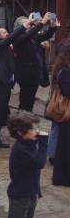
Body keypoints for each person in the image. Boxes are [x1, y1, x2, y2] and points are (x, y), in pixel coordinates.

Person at [0, 18, 34, 156]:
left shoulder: (6, 46)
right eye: (3, 32)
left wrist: (40, 24)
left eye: (6, 31)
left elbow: (25, 36)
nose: (7, 33)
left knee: (1, 113)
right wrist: (24, 25)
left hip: (6, 83)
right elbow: (11, 38)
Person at [4, 111, 47, 218]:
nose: (37, 131)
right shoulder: (21, 149)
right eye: (33, 128)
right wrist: (44, 142)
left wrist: (36, 191)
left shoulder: (29, 144)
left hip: (30, 192)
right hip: (19, 195)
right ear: (21, 133)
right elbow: (39, 163)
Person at [14, 13, 58, 112]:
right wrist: (41, 23)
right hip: (25, 75)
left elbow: (46, 35)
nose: (30, 26)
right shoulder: (18, 38)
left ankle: (27, 117)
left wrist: (53, 25)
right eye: (27, 24)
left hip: (34, 75)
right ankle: (21, 120)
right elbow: (28, 35)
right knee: (25, 100)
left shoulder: (33, 37)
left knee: (30, 100)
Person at [51, 40, 70, 186]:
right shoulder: (65, 71)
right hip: (65, 114)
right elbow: (67, 91)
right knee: (64, 146)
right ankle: (60, 177)